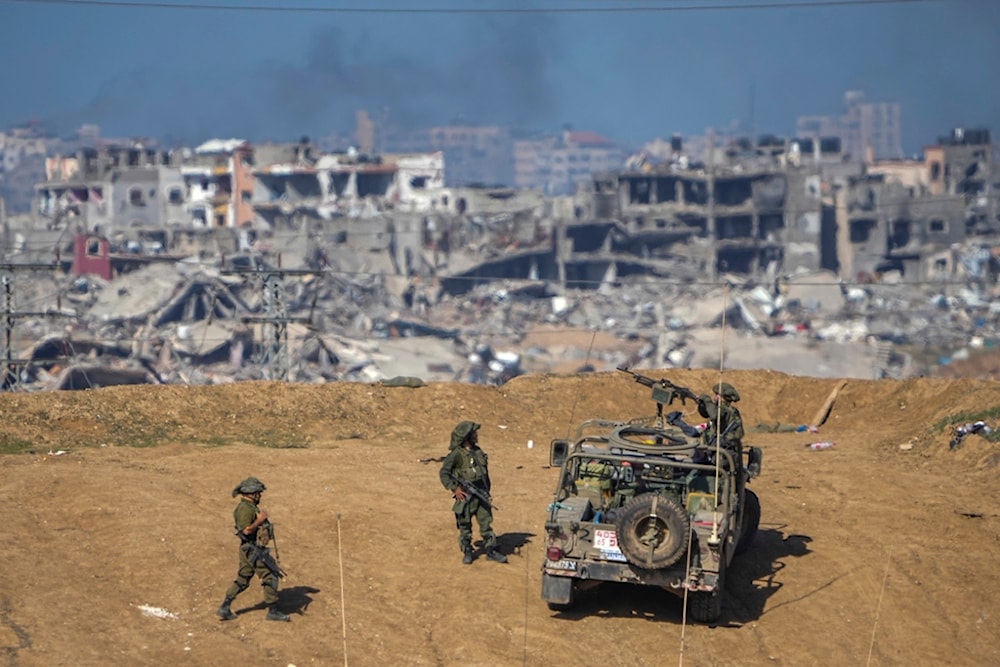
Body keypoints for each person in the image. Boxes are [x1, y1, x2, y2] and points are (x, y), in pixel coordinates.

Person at [216, 476, 290, 622]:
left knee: (243, 579)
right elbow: (246, 531)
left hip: (248, 550)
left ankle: (225, 606)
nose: (260, 495)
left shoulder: (249, 507)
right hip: (253, 550)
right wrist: (260, 520)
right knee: (270, 576)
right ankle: (273, 611)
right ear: (251, 493)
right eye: (258, 492)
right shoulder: (245, 509)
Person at [439, 421, 507, 565]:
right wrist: (455, 488)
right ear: (467, 437)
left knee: (486, 523)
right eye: (474, 433)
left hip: (480, 493)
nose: (477, 435)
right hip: (465, 495)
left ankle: (491, 550)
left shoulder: (478, 452)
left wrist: (487, 491)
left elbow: (484, 473)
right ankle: (468, 551)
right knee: (464, 526)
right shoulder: (456, 455)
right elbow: (444, 473)